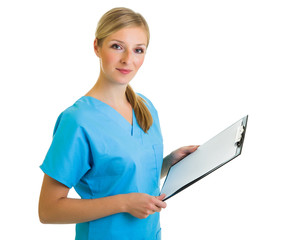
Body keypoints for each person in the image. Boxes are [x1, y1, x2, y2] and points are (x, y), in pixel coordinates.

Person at [38, 7, 199, 240]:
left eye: (138, 50)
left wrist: (169, 163)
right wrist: (124, 203)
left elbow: (123, 175)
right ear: (97, 47)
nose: (127, 59)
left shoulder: (145, 107)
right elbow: (48, 210)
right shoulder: (77, 121)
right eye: (117, 46)